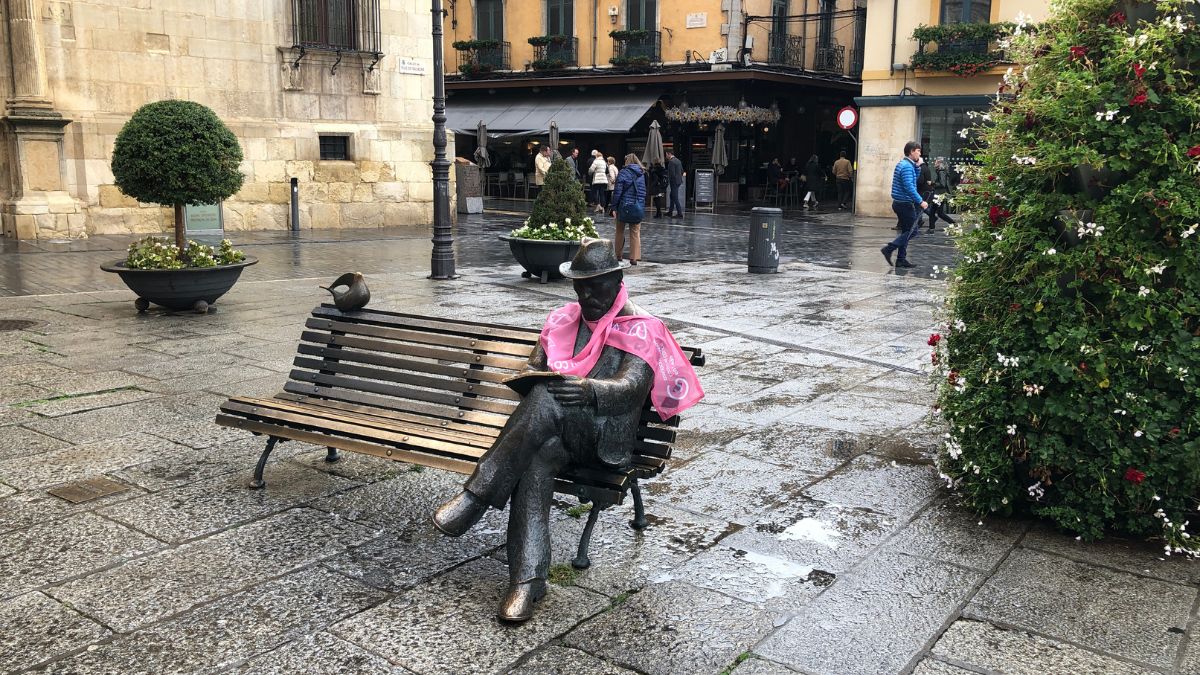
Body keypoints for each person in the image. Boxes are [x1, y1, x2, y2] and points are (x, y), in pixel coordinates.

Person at [431, 237, 704, 622]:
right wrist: (532, 378)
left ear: (616, 280)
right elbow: (535, 366)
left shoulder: (642, 328)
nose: (585, 295)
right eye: (579, 286)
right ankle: (527, 582)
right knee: (534, 460)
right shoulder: (563, 321)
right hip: (554, 432)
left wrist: (587, 388)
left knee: (545, 397)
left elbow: (630, 390)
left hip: (602, 436)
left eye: (594, 286)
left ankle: (475, 499)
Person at [881, 141, 928, 269]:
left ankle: (901, 259)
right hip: (904, 204)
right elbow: (909, 187)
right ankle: (889, 249)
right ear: (912, 151)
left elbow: (914, 180)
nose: (920, 153)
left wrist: (918, 166)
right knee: (912, 232)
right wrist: (921, 201)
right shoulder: (907, 166)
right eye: (918, 150)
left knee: (907, 231)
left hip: (900, 203)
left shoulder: (906, 164)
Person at [610, 153, 646, 265]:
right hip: (637, 206)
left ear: (627, 161)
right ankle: (634, 258)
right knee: (635, 232)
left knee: (620, 230)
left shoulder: (623, 172)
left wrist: (614, 207)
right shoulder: (642, 174)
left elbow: (617, 192)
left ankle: (618, 255)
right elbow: (643, 192)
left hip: (623, 206)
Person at [587, 150, 608, 214]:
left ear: (596, 156)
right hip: (604, 180)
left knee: (594, 192)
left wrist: (590, 174)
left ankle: (598, 205)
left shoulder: (596, 161)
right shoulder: (604, 162)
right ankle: (603, 207)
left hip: (597, 180)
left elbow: (591, 169)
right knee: (602, 194)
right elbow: (607, 170)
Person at [665, 150, 684, 218]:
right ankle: (670, 211)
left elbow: (672, 174)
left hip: (674, 182)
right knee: (672, 196)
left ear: (669, 154)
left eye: (666, 154)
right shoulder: (678, 160)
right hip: (678, 181)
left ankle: (680, 213)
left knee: (675, 197)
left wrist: (669, 182)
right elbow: (682, 171)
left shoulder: (671, 162)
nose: (666, 156)